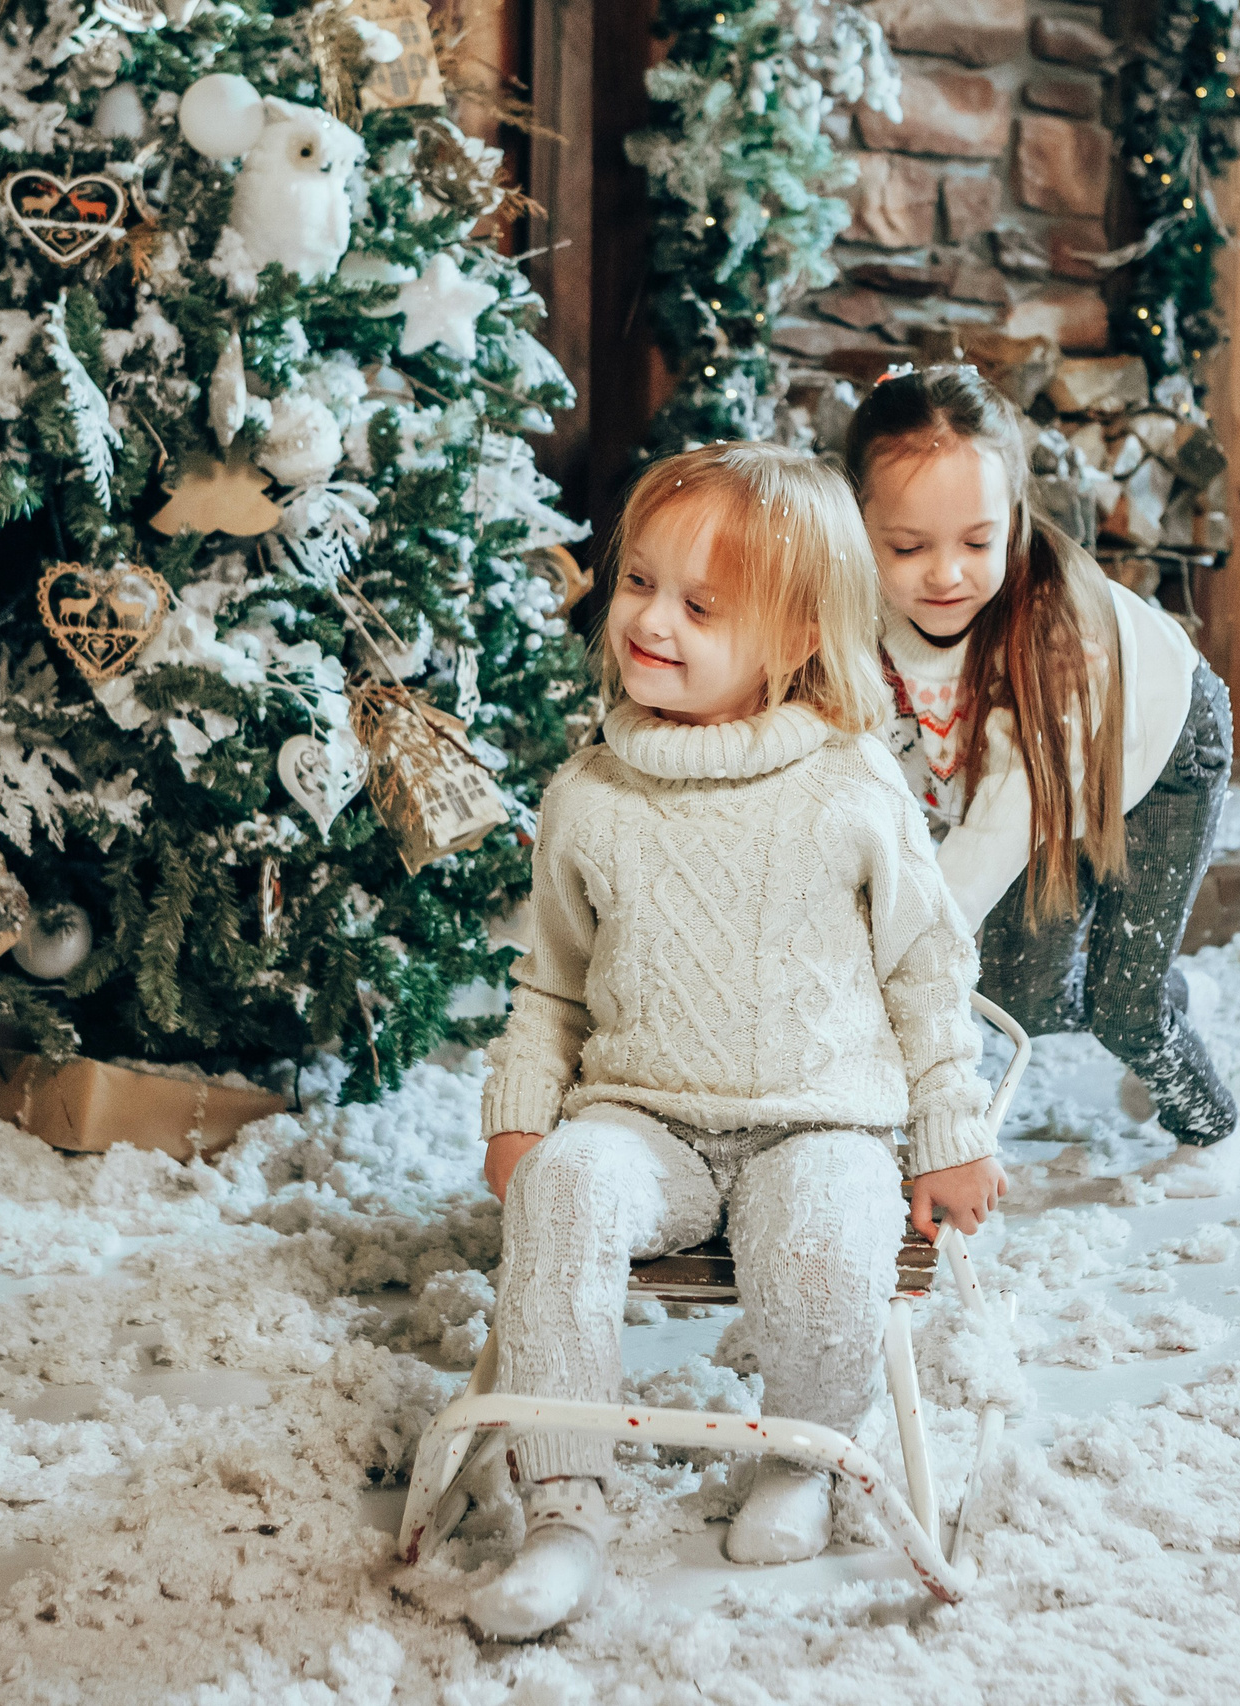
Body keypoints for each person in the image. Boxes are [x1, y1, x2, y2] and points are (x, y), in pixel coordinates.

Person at [470, 441, 1007, 1640]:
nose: (650, 620)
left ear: (797, 636)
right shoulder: (589, 793)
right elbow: (548, 977)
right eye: (638, 583)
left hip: (820, 1114)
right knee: (560, 1187)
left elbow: (927, 972)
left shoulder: (850, 784)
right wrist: (521, 1103)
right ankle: (564, 1504)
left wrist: (946, 1129)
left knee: (825, 1245)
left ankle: (806, 1450)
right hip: (642, 1115)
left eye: (700, 605)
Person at [845, 365, 1240, 1197]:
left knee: (1122, 999)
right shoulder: (848, 610)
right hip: (1031, 780)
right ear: (857, 526)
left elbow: (994, 837)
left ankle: (1210, 1127)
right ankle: (1167, 988)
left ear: (1016, 517)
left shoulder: (1056, 640)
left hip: (1162, 753)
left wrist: (883, 962)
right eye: (908, 547)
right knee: (1017, 990)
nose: (945, 574)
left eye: (978, 543)